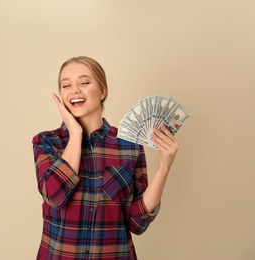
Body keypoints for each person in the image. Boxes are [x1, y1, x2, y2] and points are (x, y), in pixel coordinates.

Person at [32, 56, 179, 259]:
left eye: (84, 82)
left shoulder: (129, 144)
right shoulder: (47, 142)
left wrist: (164, 166)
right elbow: (55, 196)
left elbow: (137, 223)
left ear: (102, 91)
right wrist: (75, 134)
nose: (74, 90)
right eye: (66, 85)